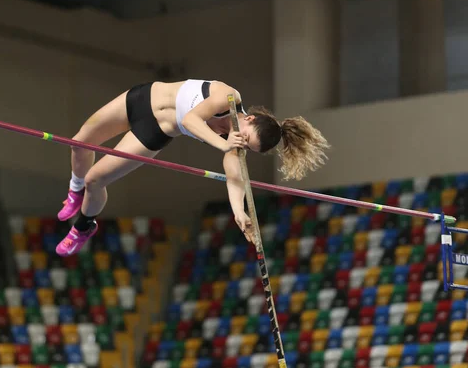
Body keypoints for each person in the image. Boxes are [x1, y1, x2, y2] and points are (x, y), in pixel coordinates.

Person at [55, 79, 330, 256]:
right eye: (246, 137)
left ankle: (83, 225)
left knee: (96, 180)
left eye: (247, 147)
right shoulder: (229, 97)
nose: (241, 143)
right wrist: (222, 144)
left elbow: (234, 178)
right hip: (141, 98)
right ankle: (74, 189)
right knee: (78, 142)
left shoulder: (232, 143)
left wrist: (239, 212)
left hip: (154, 131)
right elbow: (190, 119)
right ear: (251, 118)